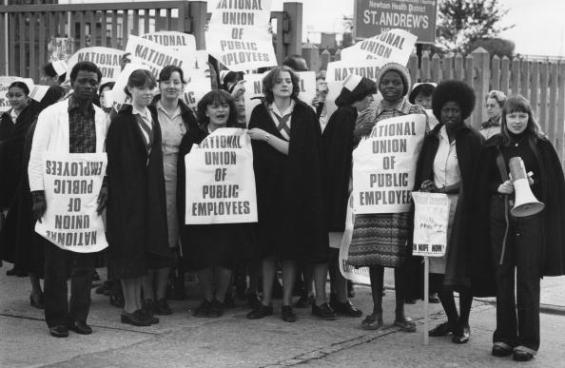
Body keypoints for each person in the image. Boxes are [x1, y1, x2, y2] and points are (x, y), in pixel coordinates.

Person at [478, 95, 565, 361]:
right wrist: (498, 187)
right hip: (501, 219)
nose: (517, 121)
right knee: (503, 277)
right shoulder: (494, 145)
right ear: (504, 118)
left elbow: (555, 185)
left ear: (529, 117)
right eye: (512, 116)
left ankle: (527, 341)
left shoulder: (541, 145)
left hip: (532, 218)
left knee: (528, 278)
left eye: (522, 115)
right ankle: (504, 337)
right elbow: (482, 182)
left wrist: (532, 185)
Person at [28, 61, 109, 337]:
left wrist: (105, 186)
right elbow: (37, 156)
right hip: (56, 198)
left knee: (85, 263)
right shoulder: (52, 115)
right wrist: (37, 193)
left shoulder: (102, 117)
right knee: (56, 263)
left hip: (87, 199)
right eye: (83, 81)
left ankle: (79, 317)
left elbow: (104, 158)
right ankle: (57, 319)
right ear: (71, 83)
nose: (88, 86)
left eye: (93, 82)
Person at [246, 66, 329, 322]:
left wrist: (267, 138)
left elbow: (303, 152)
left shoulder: (304, 113)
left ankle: (287, 304)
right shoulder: (260, 112)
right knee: (268, 249)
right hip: (267, 189)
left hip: (298, 189)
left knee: (291, 249)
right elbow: (252, 153)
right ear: (270, 86)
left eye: (289, 81)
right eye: (279, 81)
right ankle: (265, 302)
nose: (285, 85)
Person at [348, 63, 424, 332]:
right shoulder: (369, 112)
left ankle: (401, 312)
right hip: (375, 193)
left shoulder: (416, 113)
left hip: (401, 194)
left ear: (405, 85)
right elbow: (358, 144)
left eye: (396, 82)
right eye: (386, 82)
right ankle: (377, 311)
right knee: (375, 255)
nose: (391, 87)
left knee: (401, 256)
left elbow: (423, 147)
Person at [414, 80, 483, 344]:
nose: (450, 115)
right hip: (435, 211)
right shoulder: (432, 139)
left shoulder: (472, 139)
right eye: (446, 110)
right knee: (436, 269)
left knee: (462, 270)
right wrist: (427, 184)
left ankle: (464, 323)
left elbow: (474, 178)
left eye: (455, 110)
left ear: (464, 111)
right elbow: (425, 171)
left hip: (463, 210)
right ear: (438, 111)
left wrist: (447, 189)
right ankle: (452, 320)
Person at [177, 89, 253, 317]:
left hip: (229, 207)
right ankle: (207, 298)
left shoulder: (240, 136)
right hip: (200, 206)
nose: (220, 110)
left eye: (224, 106)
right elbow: (184, 172)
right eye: (215, 106)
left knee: (225, 255)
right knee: (201, 253)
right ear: (205, 111)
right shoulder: (193, 137)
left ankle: (220, 299)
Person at [106, 69, 169, 327]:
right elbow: (114, 160)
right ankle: (129, 307)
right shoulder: (122, 121)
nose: (147, 93)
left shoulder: (151, 115)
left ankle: (139, 304)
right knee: (128, 252)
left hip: (148, 195)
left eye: (150, 88)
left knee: (142, 251)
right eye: (141, 88)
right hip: (126, 197)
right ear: (130, 90)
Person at [142, 65, 198, 316]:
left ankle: (161, 295)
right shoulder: (146, 112)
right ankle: (147, 295)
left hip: (180, 180)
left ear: (182, 85)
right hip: (150, 179)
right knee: (149, 235)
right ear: (158, 85)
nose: (171, 86)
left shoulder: (189, 115)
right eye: (166, 81)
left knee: (170, 239)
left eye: (176, 81)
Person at [323, 74, 375, 318]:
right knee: (338, 246)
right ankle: (339, 296)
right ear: (357, 98)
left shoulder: (344, 114)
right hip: (340, 193)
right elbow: (341, 155)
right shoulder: (346, 115)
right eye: (368, 95)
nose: (372, 99)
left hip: (339, 190)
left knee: (340, 246)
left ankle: (338, 294)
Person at [0, 82, 42, 280]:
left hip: (26, 173)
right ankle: (18, 262)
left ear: (27, 96)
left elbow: (19, 141)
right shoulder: (5, 117)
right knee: (13, 221)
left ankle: (25, 263)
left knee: (24, 222)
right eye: (11, 95)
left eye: (19, 95)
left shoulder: (34, 115)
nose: (14, 98)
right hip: (9, 174)